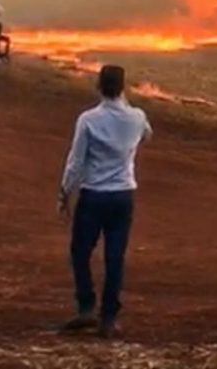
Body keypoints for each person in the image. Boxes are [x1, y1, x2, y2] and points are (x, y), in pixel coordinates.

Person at [57, 64, 152, 338]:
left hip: (94, 194)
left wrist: (65, 192)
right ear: (122, 87)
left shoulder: (88, 119)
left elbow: (76, 162)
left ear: (99, 86)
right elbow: (147, 135)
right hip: (123, 195)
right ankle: (108, 317)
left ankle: (86, 305)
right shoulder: (136, 117)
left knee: (80, 252)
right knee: (114, 257)